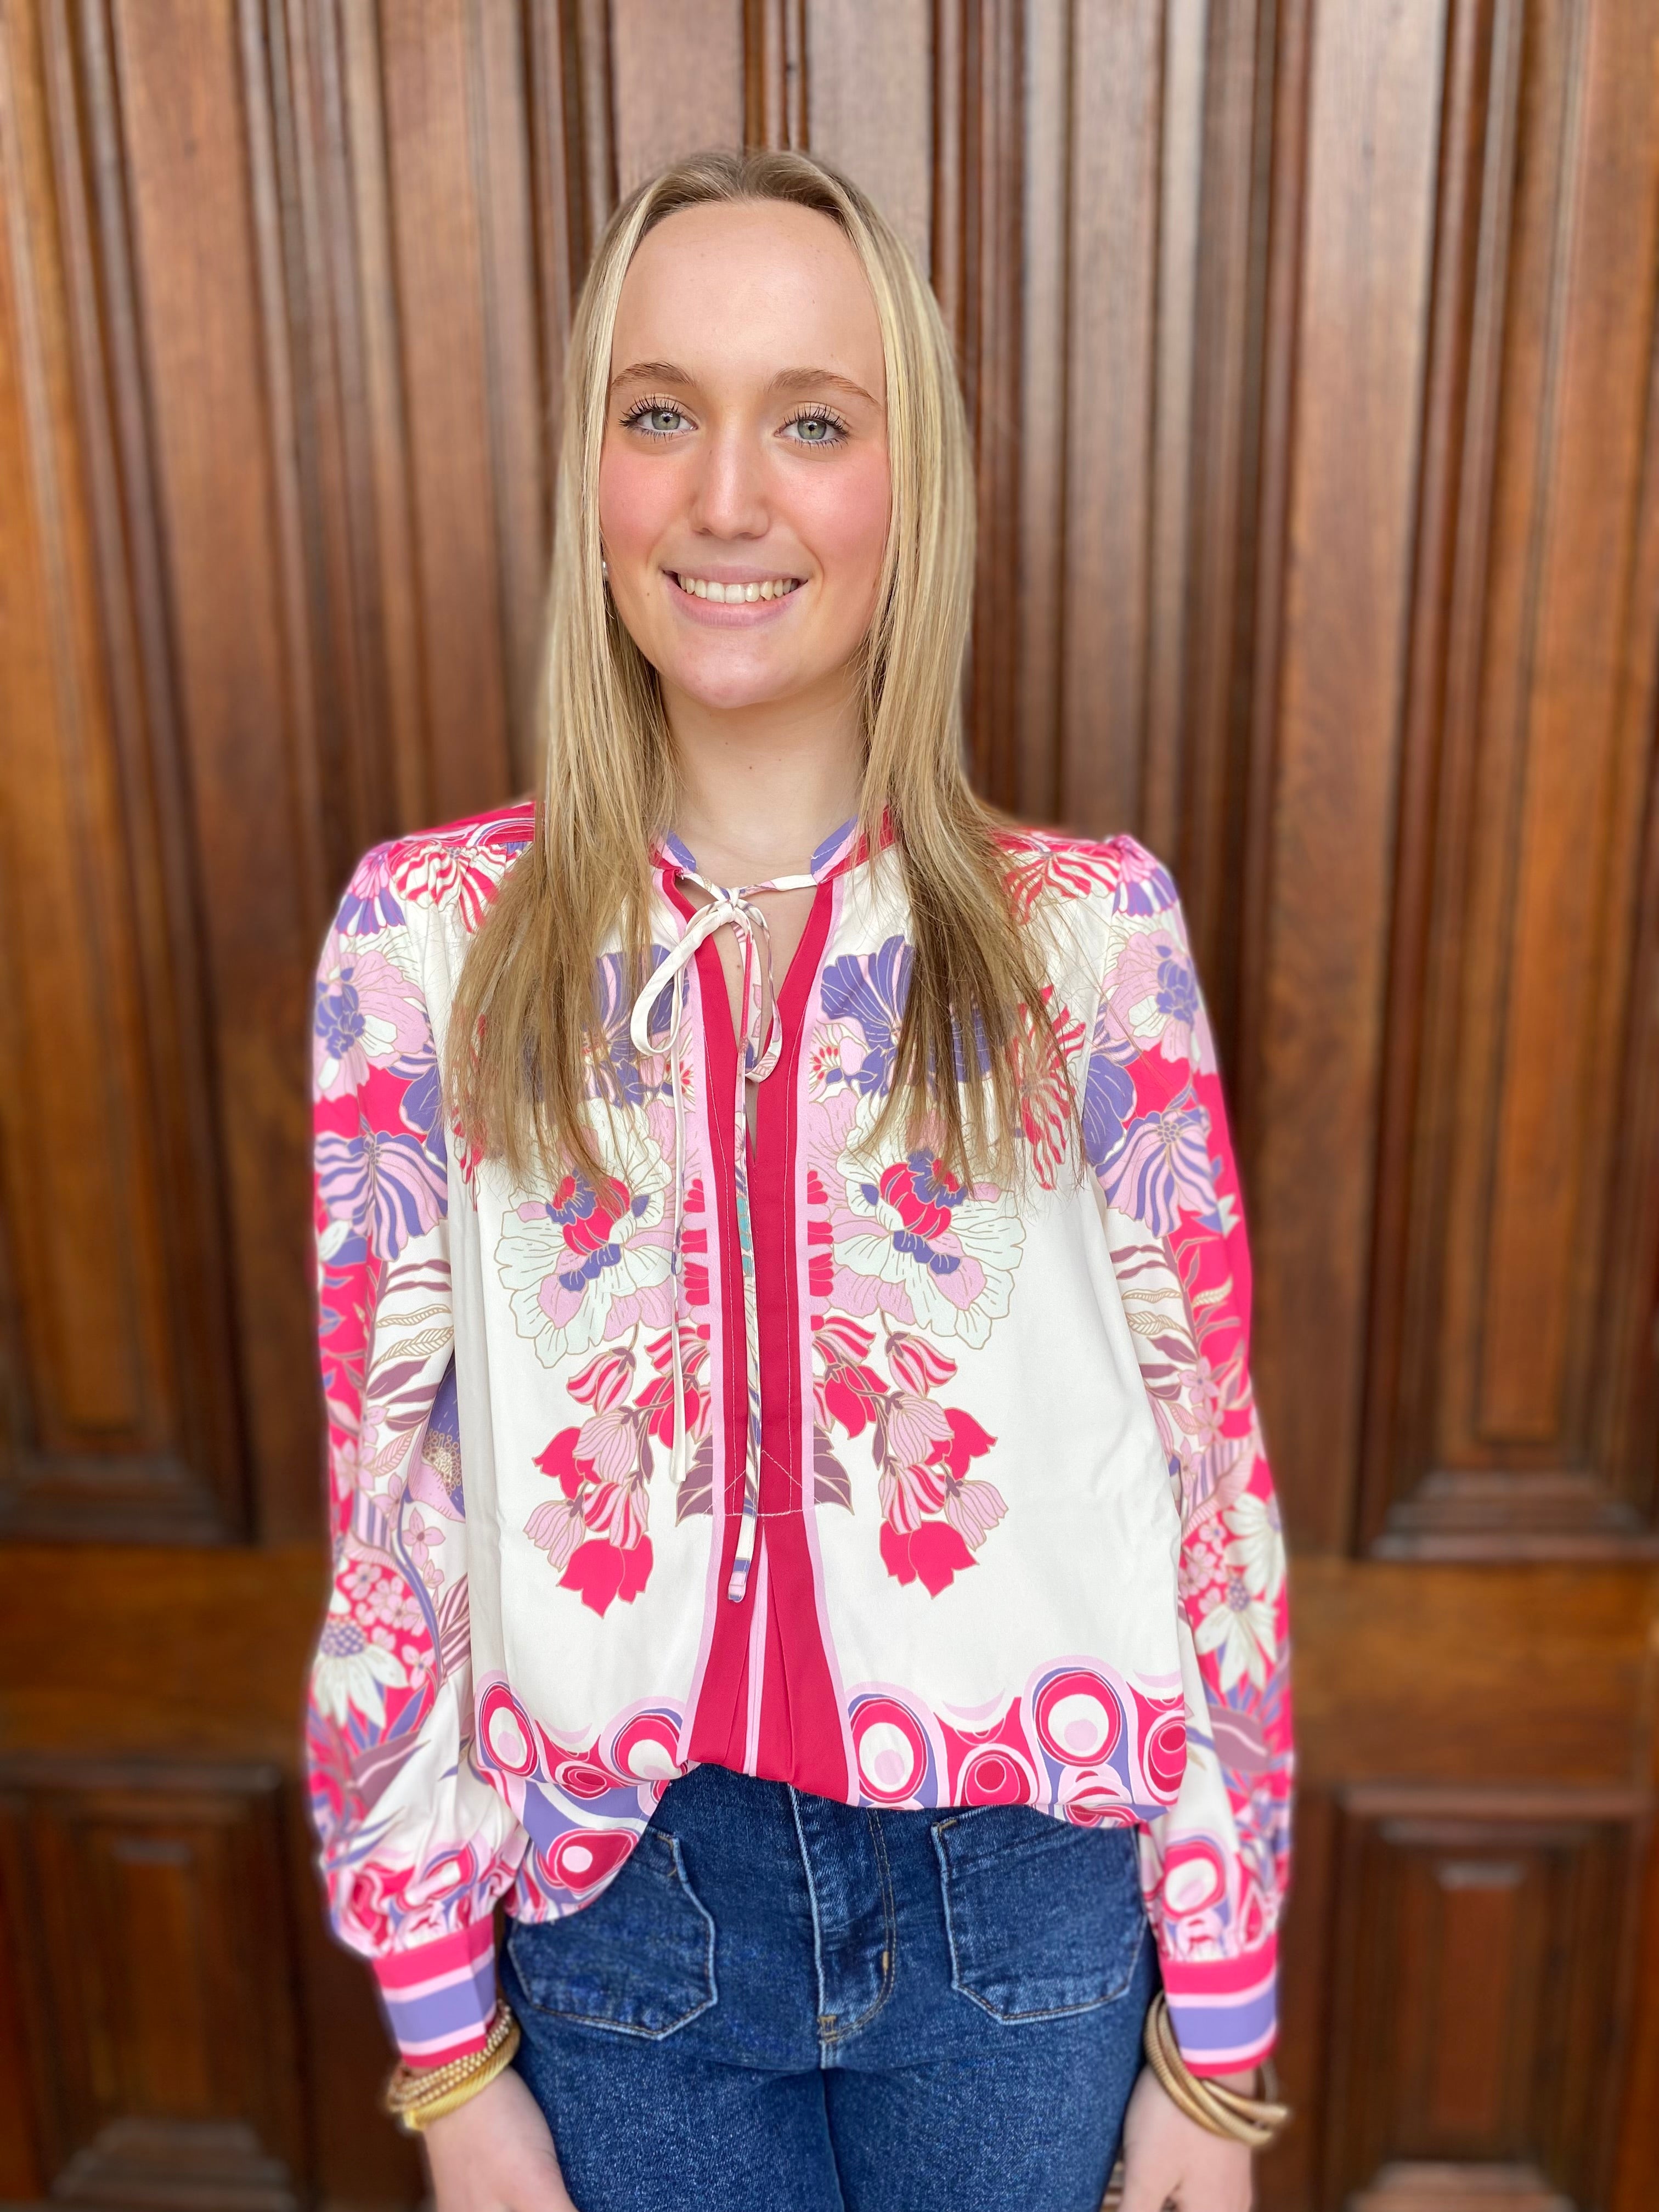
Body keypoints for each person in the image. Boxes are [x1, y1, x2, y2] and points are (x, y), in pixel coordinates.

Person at [305, 146, 1291, 2212]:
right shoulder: (429, 942)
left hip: (1018, 1917)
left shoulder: (1085, 945)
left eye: (811, 421)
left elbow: (1208, 1499)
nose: (728, 498)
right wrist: (442, 2060)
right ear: (593, 476)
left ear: (903, 486)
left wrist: (1219, 2038)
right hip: (617, 1922)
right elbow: (394, 1511)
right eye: (660, 412)